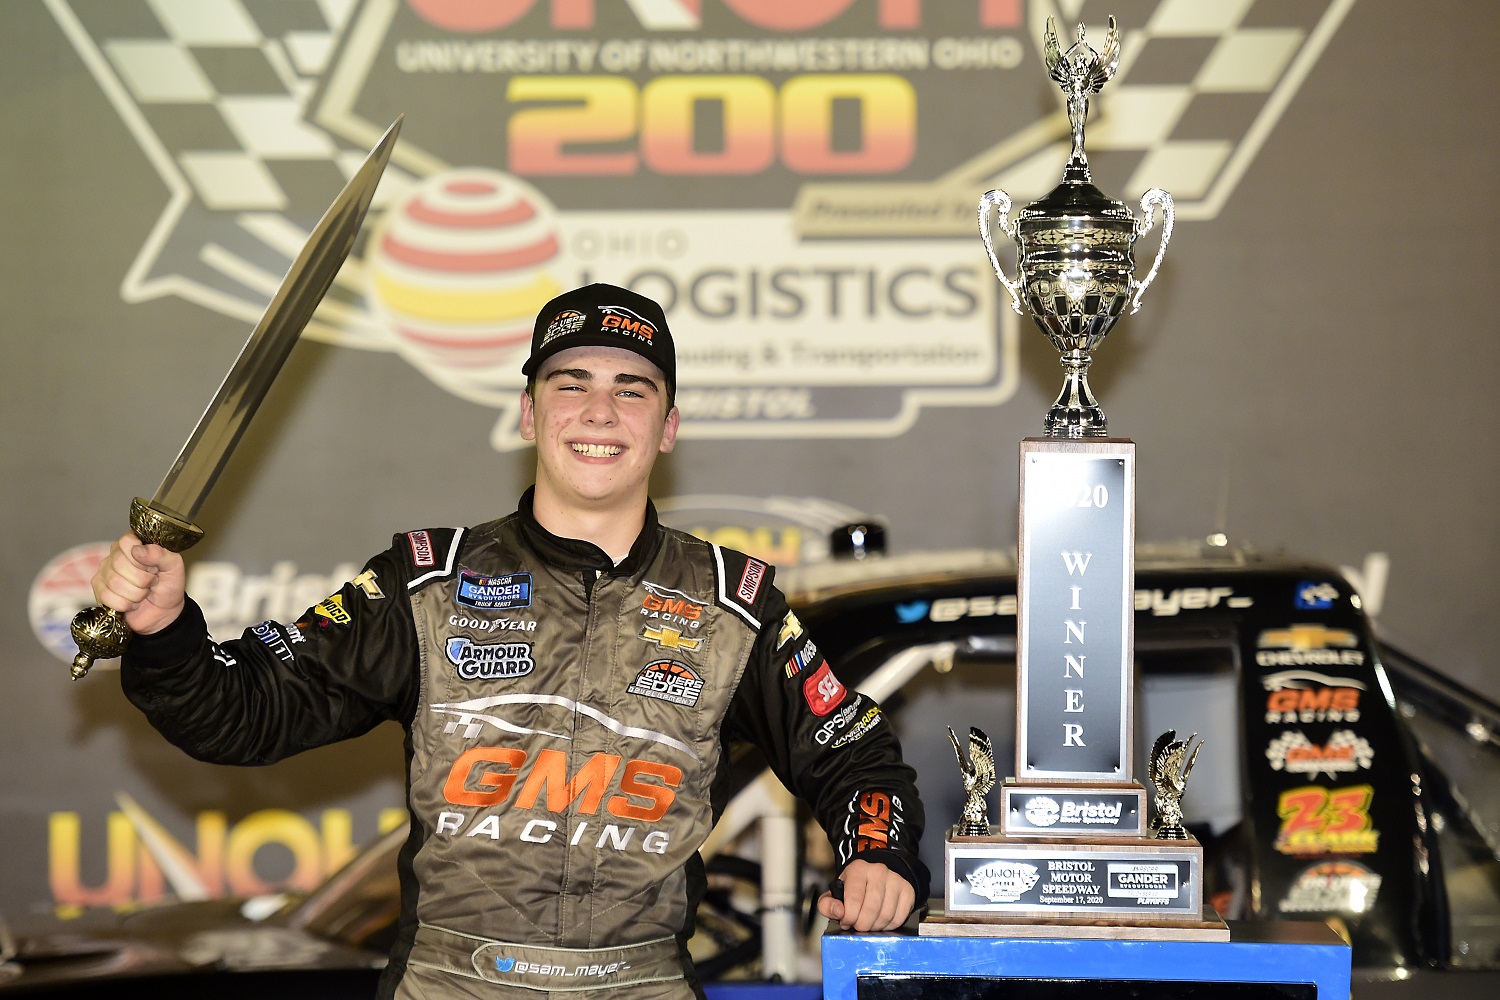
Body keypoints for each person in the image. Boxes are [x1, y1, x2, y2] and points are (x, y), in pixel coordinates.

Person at [90, 283, 929, 999]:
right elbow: (242, 714)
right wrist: (165, 633)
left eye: (633, 389)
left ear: (668, 427)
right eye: (573, 383)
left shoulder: (732, 604)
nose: (600, 410)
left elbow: (854, 756)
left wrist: (881, 855)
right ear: (530, 413)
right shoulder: (426, 582)